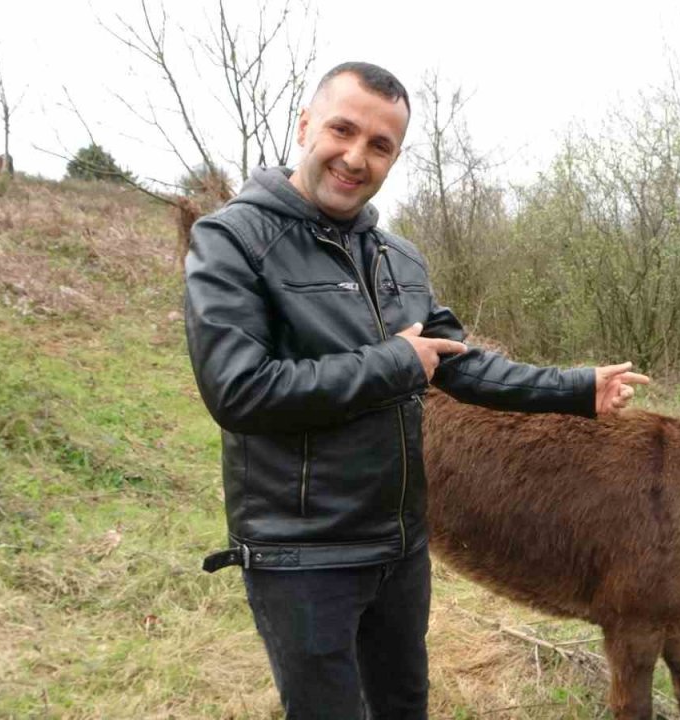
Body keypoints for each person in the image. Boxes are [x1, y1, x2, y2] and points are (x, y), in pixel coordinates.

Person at [183, 61, 649, 719]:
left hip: (399, 545)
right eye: (343, 130)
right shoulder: (233, 240)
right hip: (302, 553)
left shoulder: (396, 257)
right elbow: (239, 391)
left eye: (380, 145)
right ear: (306, 125)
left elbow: (454, 364)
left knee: (404, 706)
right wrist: (395, 363)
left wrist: (574, 388)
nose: (355, 157)